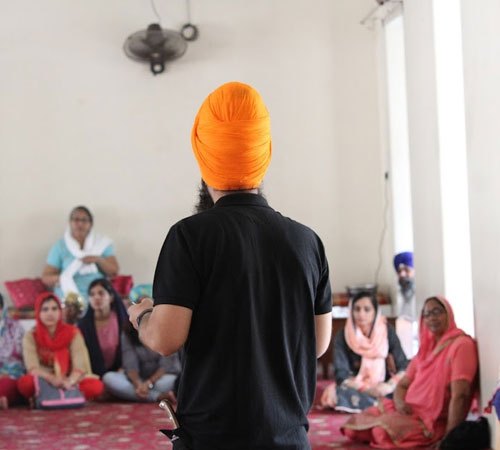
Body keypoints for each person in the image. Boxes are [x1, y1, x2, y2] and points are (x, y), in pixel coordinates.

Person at [128, 81, 332, 450]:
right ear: (264, 154)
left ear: (203, 155)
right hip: (289, 439)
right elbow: (318, 343)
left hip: (214, 439)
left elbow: (165, 339)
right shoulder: (308, 241)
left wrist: (142, 315)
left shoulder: (189, 236)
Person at [341, 296, 478, 448]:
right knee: (352, 428)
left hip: (430, 421)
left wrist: (449, 439)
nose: (431, 318)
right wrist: (399, 403)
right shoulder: (426, 349)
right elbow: (403, 384)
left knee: (380, 432)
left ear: (449, 314)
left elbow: (461, 395)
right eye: (427, 314)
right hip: (408, 410)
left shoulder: (461, 345)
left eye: (437, 312)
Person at [320, 292, 408, 413]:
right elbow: (341, 374)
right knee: (334, 393)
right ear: (351, 311)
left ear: (375, 312)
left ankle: (370, 404)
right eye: (357, 309)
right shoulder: (343, 335)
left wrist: (389, 386)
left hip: (384, 386)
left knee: (407, 390)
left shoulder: (387, 331)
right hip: (356, 386)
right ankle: (380, 404)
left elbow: (403, 366)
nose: (361, 314)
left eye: (367, 309)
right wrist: (367, 389)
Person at [17, 292, 103, 403]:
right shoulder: (31, 336)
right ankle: (68, 396)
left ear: (60, 311)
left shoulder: (72, 333)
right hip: (44, 380)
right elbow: (32, 368)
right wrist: (52, 379)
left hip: (69, 380)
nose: (50, 313)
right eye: (45, 309)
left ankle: (46, 396)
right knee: (25, 383)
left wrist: (69, 381)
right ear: (38, 313)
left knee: (95, 386)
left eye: (54, 309)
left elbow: (80, 365)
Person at [41, 205, 119, 305]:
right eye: (76, 219)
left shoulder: (101, 243)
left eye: (84, 220)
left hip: (96, 291)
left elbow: (114, 271)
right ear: (70, 222)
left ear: (90, 224)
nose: (80, 224)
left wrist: (98, 259)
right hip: (68, 290)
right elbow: (46, 277)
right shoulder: (60, 246)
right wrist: (63, 278)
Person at [102, 320, 181, 402]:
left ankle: (136, 395)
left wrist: (149, 383)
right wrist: (138, 384)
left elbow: (165, 365)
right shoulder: (128, 332)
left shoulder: (165, 328)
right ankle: (157, 396)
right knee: (108, 378)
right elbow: (130, 365)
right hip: (137, 380)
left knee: (168, 383)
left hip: (162, 378)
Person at [78, 278, 128, 378]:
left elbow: (130, 350)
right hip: (93, 375)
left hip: (122, 372)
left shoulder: (122, 320)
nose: (96, 297)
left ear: (111, 297)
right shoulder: (83, 325)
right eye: (92, 294)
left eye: (101, 293)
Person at [0, 292, 25, 409]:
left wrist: (5, 373)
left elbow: (21, 359)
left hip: (11, 375)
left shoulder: (16, 328)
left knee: (6, 385)